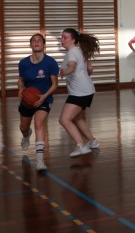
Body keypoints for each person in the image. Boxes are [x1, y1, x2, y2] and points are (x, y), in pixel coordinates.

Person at [18, 33, 59, 172]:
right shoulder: (23, 63)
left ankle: (40, 160)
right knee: (23, 127)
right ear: (30, 45)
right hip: (28, 100)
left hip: (44, 98)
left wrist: (44, 96)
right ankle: (26, 135)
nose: (36, 42)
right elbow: (21, 80)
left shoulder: (50, 62)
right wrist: (20, 90)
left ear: (43, 45)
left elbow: (54, 84)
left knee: (38, 123)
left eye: (39, 40)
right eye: (34, 41)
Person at [59, 28, 101, 157]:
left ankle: (80, 146)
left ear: (73, 40)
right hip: (86, 90)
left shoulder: (72, 52)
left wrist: (64, 72)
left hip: (80, 92)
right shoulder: (81, 51)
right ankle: (92, 142)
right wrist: (83, 77)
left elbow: (71, 66)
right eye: (61, 37)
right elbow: (90, 68)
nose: (62, 40)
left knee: (64, 119)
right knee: (77, 118)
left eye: (65, 37)